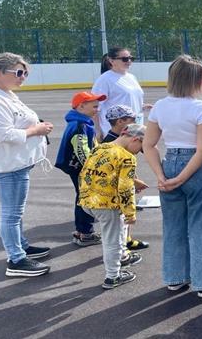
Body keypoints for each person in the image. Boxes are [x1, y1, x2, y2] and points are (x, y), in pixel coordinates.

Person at [143, 55, 202, 297]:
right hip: (197, 168)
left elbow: (148, 145)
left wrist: (161, 175)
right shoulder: (200, 108)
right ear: (197, 80)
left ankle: (176, 277)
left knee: (173, 226)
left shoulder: (160, 106)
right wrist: (183, 177)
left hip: (169, 161)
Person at [0, 52, 53, 277]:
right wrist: (36, 130)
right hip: (9, 165)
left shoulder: (4, 94)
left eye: (25, 73)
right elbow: (5, 134)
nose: (23, 77)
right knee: (11, 214)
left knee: (15, 212)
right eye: (18, 72)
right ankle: (16, 259)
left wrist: (36, 126)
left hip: (16, 162)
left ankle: (22, 246)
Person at [79, 124, 146, 289]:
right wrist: (130, 212)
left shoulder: (99, 148)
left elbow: (86, 172)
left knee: (115, 232)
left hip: (88, 200)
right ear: (135, 139)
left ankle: (122, 257)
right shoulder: (127, 157)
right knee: (112, 241)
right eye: (140, 148)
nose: (138, 152)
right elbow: (125, 188)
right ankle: (113, 276)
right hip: (107, 205)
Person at [55, 91, 106, 247]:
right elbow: (82, 151)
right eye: (94, 106)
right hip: (80, 168)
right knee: (85, 199)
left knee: (82, 197)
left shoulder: (82, 122)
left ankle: (81, 231)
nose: (97, 109)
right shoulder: (80, 125)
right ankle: (85, 233)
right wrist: (94, 170)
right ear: (81, 106)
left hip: (77, 167)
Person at [102, 105, 151, 251]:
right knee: (120, 219)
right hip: (113, 193)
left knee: (123, 220)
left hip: (124, 183)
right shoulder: (110, 143)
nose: (135, 121)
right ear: (120, 122)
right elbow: (114, 173)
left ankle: (127, 240)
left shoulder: (124, 139)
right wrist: (134, 182)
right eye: (132, 119)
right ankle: (122, 250)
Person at [93, 47, 151, 140]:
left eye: (130, 58)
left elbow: (128, 100)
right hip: (114, 132)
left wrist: (142, 106)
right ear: (112, 61)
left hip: (134, 130)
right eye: (124, 59)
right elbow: (95, 107)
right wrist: (98, 130)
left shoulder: (132, 77)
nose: (129, 61)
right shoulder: (104, 79)